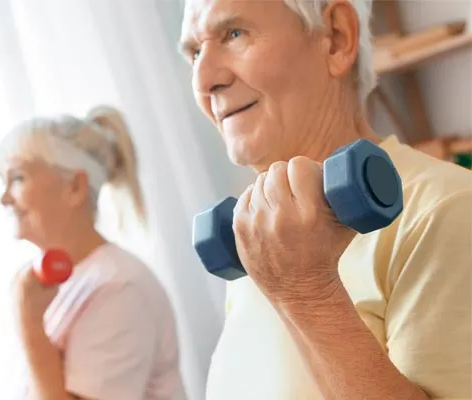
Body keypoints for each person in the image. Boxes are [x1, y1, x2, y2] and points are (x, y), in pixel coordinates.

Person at [178, 0, 471, 399]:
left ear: (336, 38)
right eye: (195, 52)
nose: (204, 79)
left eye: (234, 34)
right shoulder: (260, 234)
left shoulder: (446, 210)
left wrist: (307, 293)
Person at [0, 106, 187, 400]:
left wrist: (30, 327)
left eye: (18, 178)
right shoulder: (55, 289)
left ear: (75, 187)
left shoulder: (120, 289)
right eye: (4, 181)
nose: (4, 198)